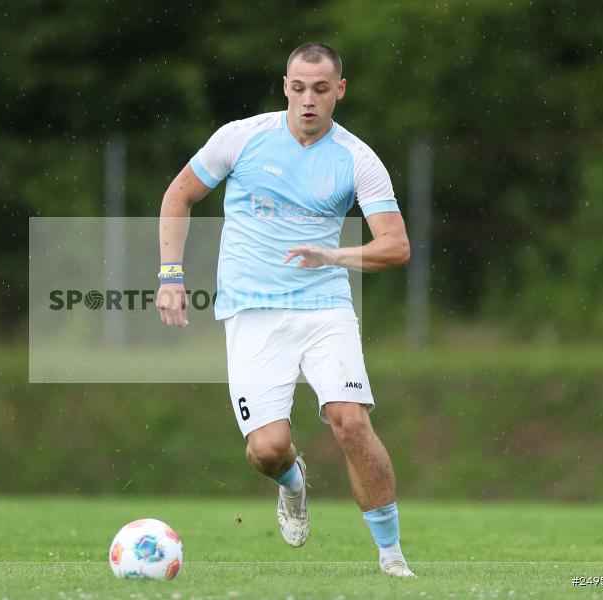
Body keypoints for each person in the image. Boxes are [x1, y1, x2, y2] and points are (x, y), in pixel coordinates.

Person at [156, 43, 415, 577]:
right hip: (252, 312)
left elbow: (396, 246)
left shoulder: (357, 159)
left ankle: (392, 557)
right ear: (285, 87)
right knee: (268, 450)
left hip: (324, 307)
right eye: (299, 88)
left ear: (339, 90)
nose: (308, 100)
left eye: (321, 89)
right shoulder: (241, 138)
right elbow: (177, 197)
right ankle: (292, 482)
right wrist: (171, 275)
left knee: (351, 423)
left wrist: (334, 255)